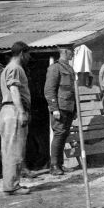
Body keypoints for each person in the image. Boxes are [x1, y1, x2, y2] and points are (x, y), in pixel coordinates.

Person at [0, 41, 32, 195]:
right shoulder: (15, 68)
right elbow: (14, 89)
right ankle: (12, 187)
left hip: (7, 111)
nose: (29, 57)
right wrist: (22, 112)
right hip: (13, 110)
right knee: (14, 151)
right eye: (28, 54)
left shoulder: (8, 68)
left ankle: (11, 184)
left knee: (9, 150)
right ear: (21, 53)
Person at [44, 45, 77, 176]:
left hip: (68, 107)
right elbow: (49, 90)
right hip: (60, 108)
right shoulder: (55, 68)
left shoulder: (69, 68)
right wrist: (54, 109)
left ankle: (60, 164)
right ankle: (54, 165)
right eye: (71, 51)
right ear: (64, 52)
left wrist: (73, 109)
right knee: (59, 134)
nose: (73, 53)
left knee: (63, 135)